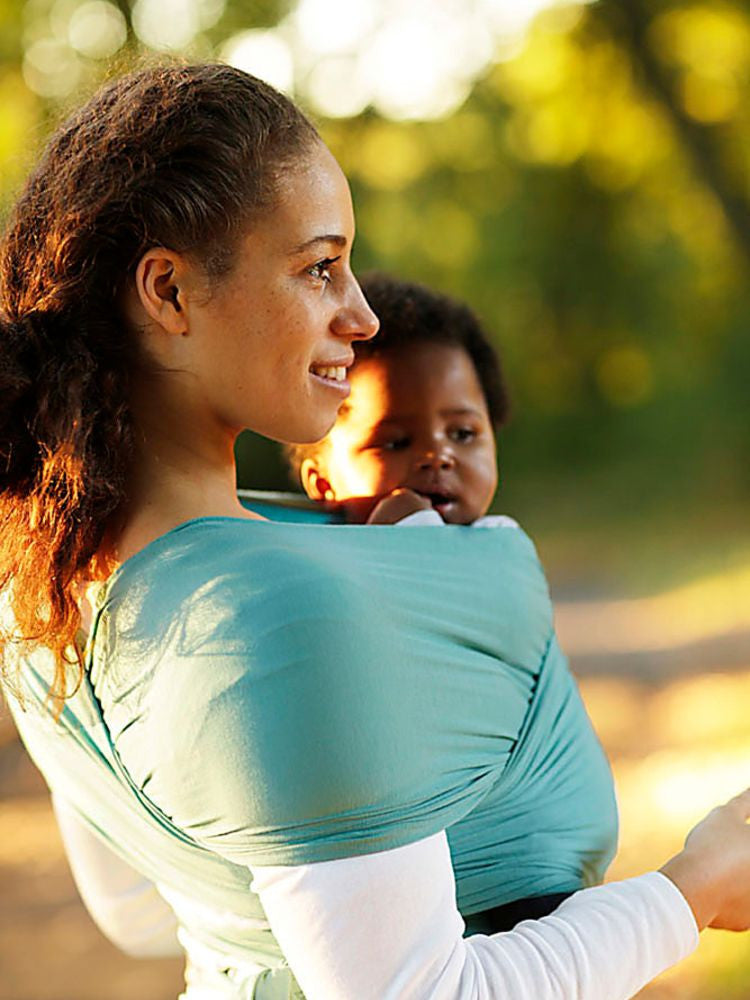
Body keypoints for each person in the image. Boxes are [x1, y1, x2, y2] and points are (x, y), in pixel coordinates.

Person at [2, 62, 750, 1000]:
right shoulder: (270, 611)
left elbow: (142, 913)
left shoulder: (47, 582)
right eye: (319, 267)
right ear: (169, 292)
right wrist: (699, 886)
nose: (360, 314)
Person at [285, 272, 512, 529]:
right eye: (396, 443)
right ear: (324, 482)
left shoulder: (505, 544)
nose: (437, 456)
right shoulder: (314, 563)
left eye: (462, 433)